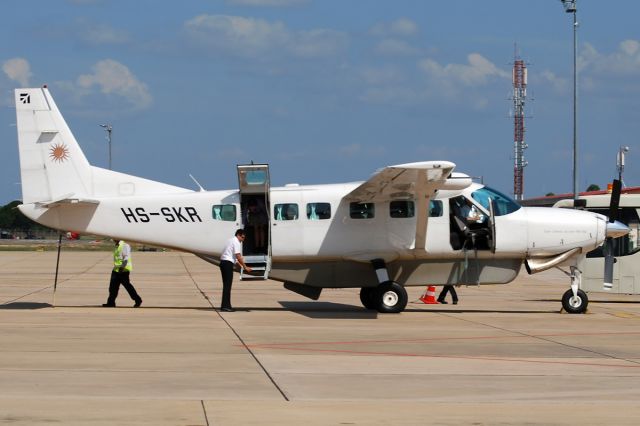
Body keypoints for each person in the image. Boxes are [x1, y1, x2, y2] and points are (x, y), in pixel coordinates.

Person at [219, 229, 252, 312]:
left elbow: (232, 256)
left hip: (223, 263)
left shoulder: (230, 240)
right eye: (242, 237)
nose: (243, 240)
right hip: (227, 264)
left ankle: (225, 305)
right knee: (227, 286)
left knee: (226, 285)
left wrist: (239, 266)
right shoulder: (236, 242)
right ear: (238, 235)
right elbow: (238, 255)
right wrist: (245, 267)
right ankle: (226, 306)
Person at [103, 239, 142, 307]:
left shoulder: (125, 245)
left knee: (128, 287)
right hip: (116, 269)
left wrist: (122, 267)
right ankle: (111, 303)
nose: (113, 239)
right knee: (112, 288)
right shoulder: (117, 246)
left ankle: (138, 300)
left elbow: (126, 257)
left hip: (123, 270)